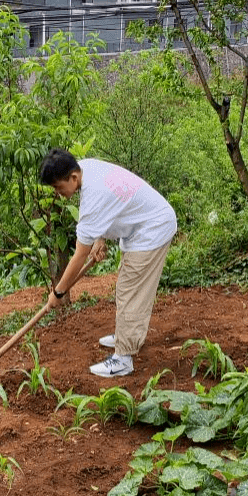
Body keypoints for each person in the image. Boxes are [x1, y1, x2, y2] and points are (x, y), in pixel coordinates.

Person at [39, 148, 177, 377]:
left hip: (152, 229)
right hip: (142, 227)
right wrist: (99, 239)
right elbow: (112, 202)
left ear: (73, 178)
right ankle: (126, 335)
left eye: (57, 187)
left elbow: (79, 255)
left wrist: (59, 292)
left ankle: (123, 358)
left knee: (130, 290)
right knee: (128, 287)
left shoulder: (93, 194)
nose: (57, 193)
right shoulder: (86, 168)